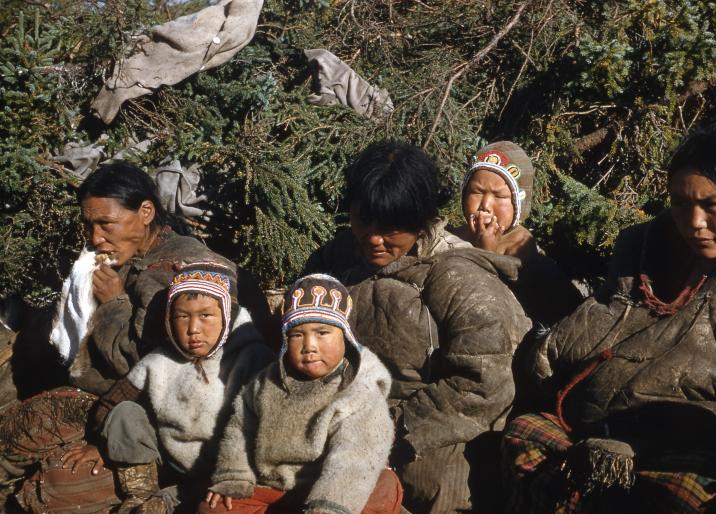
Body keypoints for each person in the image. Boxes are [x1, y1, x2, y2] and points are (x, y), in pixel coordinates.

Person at [503, 125, 716, 513]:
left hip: (692, 440)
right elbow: (606, 315)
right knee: (526, 433)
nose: (694, 222)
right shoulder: (648, 250)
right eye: (680, 203)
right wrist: (544, 359)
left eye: (712, 205)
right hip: (599, 423)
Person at [0, 162, 271, 499]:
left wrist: (114, 303)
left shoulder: (174, 273)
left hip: (173, 426)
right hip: (115, 403)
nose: (95, 238)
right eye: (88, 226)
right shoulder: (124, 258)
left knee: (48, 490)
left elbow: (154, 368)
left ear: (145, 212)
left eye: (105, 224)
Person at [306, 140, 531, 513]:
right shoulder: (338, 258)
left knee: (439, 481)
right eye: (363, 220)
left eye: (391, 227)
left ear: (420, 218)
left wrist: (390, 432)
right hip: (343, 414)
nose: (373, 238)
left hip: (430, 429)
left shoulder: (458, 275)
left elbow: (484, 383)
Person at [16, 263, 273, 514]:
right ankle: (140, 491)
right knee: (126, 413)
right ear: (170, 320)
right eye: (182, 317)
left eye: (206, 316)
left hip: (226, 467)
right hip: (167, 458)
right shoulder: (160, 361)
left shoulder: (253, 359)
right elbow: (114, 401)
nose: (193, 329)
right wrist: (100, 443)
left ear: (227, 317)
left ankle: (172, 499)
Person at [201, 274, 400, 514]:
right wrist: (234, 476)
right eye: (297, 335)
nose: (309, 346)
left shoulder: (360, 391)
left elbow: (353, 460)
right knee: (213, 507)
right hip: (273, 486)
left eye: (322, 333)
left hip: (336, 487)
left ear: (346, 338)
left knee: (382, 488)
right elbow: (240, 430)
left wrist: (327, 507)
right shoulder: (265, 383)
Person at [452, 140, 583, 326]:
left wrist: (485, 254)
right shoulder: (451, 237)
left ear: (519, 203)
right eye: (477, 192)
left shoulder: (524, 252)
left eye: (499, 196)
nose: (485, 206)